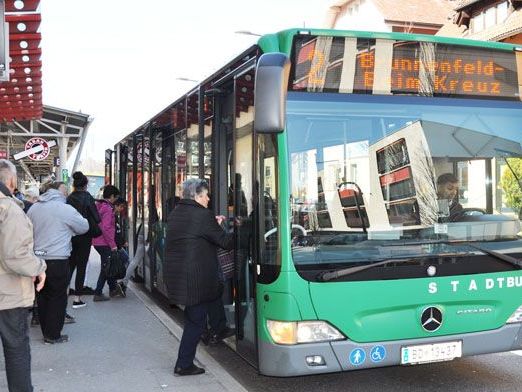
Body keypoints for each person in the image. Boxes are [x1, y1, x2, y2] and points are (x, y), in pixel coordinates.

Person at [164, 178, 233, 376]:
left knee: (203, 307)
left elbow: (196, 236)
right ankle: (183, 364)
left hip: (180, 276)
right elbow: (225, 242)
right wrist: (243, 230)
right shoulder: (202, 215)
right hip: (195, 278)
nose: (208, 199)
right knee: (196, 322)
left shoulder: (177, 212)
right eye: (205, 195)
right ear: (196, 196)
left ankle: (219, 328)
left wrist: (214, 224)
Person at [0, 159, 46, 392]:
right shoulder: (9, 209)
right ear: (11, 180)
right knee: (16, 349)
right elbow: (15, 256)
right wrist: (40, 267)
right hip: (8, 295)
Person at [28, 181, 89, 344]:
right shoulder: (65, 209)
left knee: (42, 296)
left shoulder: (34, 208)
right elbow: (84, 227)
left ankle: (45, 331)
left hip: (37, 260)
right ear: (60, 193)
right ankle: (53, 335)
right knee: (57, 297)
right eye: (65, 191)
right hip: (57, 260)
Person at [66, 171, 101, 309]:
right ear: (86, 185)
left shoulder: (69, 198)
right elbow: (97, 218)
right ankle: (77, 299)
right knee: (81, 266)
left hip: (71, 235)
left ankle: (64, 295)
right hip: (85, 236)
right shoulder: (87, 197)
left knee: (70, 265)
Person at [92, 185, 125, 301]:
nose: (116, 200)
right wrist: (113, 245)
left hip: (98, 241)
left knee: (107, 265)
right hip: (104, 242)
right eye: (116, 198)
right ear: (111, 196)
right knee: (106, 268)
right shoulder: (107, 209)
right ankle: (98, 292)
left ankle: (112, 289)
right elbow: (106, 228)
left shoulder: (100, 205)